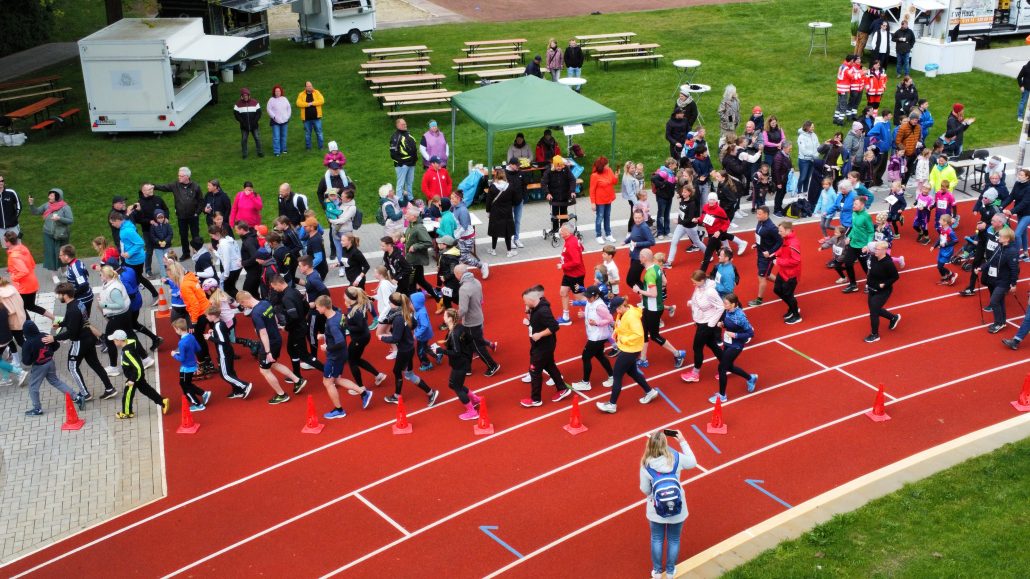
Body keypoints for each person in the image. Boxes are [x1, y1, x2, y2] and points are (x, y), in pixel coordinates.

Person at [639, 430, 697, 579]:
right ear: (666, 445)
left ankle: (657, 572)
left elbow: (645, 489)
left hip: (656, 509)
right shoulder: (676, 458)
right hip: (678, 507)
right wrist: (682, 441)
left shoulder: (646, 464)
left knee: (657, 539)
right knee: (674, 539)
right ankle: (670, 571)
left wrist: (653, 496)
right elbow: (693, 462)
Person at [238, 290, 306, 403]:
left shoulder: (255, 313)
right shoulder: (265, 303)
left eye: (242, 304)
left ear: (244, 301)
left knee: (264, 370)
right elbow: (274, 317)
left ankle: (281, 394)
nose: (243, 307)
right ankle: (297, 380)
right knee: (273, 364)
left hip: (269, 344)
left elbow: (263, 333)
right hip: (276, 338)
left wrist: (267, 352)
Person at [52, 282, 115, 402]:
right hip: (89, 338)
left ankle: (85, 394)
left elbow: (72, 333)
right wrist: (60, 324)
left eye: (58, 295)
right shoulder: (78, 303)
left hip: (79, 342)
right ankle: (109, 388)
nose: (58, 297)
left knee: (72, 367)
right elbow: (72, 321)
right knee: (96, 365)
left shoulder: (72, 309)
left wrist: (54, 338)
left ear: (65, 295)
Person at [594, 295, 659, 413]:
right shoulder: (623, 313)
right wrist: (616, 331)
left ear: (621, 306)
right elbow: (621, 325)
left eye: (616, 309)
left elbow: (638, 334)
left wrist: (623, 339)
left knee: (617, 375)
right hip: (628, 348)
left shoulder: (632, 317)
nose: (616, 312)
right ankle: (650, 392)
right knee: (632, 372)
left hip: (630, 349)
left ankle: (612, 405)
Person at [313, 295, 372, 419]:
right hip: (341, 354)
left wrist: (327, 347)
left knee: (327, 382)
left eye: (318, 307)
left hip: (334, 357)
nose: (316, 309)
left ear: (324, 307)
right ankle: (363, 392)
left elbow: (339, 341)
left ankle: (339, 410)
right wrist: (325, 335)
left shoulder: (332, 324)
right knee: (337, 379)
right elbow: (341, 330)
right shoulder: (339, 314)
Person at [380, 292, 439, 406]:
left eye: (389, 302)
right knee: (409, 375)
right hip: (409, 348)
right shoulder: (405, 313)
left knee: (397, 371)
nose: (388, 304)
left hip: (404, 351)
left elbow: (395, 338)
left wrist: (382, 338)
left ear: (394, 304)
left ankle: (397, 396)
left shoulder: (398, 319)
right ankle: (430, 393)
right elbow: (415, 324)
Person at [634, 249, 687, 368]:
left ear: (644, 258)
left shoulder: (649, 274)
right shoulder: (657, 268)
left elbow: (653, 294)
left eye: (640, 257)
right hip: (651, 307)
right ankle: (643, 359)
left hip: (653, 309)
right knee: (643, 331)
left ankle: (678, 353)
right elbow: (664, 281)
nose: (639, 258)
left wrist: (639, 290)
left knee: (655, 336)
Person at [521, 285, 572, 408]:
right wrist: (529, 320)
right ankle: (562, 388)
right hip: (543, 345)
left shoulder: (543, 311)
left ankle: (536, 399)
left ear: (532, 300)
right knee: (549, 365)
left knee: (534, 370)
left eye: (525, 301)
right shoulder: (536, 306)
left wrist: (539, 334)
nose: (524, 303)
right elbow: (537, 321)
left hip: (543, 346)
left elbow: (555, 326)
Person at [22, 319, 83, 417]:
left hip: (39, 366)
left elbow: (26, 361)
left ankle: (37, 408)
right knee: (55, 381)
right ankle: (76, 398)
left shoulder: (28, 343)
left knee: (33, 387)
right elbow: (56, 345)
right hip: (50, 362)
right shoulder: (44, 335)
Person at [268, 274, 323, 378]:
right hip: (299, 327)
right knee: (291, 349)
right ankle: (297, 374)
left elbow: (293, 317)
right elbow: (306, 306)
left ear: (278, 284)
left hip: (297, 330)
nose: (274, 289)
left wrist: (286, 327)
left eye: (273, 287)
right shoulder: (295, 291)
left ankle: (328, 373)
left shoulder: (286, 298)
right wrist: (301, 318)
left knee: (305, 355)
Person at [432, 308, 482, 420]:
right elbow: (469, 340)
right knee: (452, 384)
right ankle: (475, 399)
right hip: (463, 362)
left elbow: (456, 352)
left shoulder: (454, 333)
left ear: (450, 318)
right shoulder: (459, 327)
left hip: (460, 363)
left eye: (445, 316)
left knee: (457, 387)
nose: (443, 317)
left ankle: (472, 411)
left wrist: (441, 351)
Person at [456, 264, 501, 376]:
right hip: (478, 316)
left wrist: (455, 319)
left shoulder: (463, 288)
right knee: (468, 344)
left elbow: (463, 309)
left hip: (471, 322)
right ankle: (467, 368)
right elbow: (481, 299)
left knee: (476, 346)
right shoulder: (476, 282)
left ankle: (492, 365)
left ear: (459, 274)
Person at [712, 293, 757, 403]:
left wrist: (735, 335)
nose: (724, 304)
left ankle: (722, 396)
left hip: (736, 345)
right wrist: (722, 324)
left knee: (722, 368)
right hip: (728, 343)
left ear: (733, 304)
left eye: (726, 303)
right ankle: (751, 378)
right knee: (728, 366)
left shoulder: (740, 317)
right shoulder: (728, 311)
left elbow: (750, 333)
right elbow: (729, 325)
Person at [680, 269, 724, 383]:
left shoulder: (710, 292)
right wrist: (691, 303)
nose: (693, 284)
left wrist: (711, 324)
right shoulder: (699, 287)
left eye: (695, 282)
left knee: (697, 347)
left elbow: (721, 307)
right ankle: (726, 365)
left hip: (706, 324)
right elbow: (697, 299)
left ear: (703, 280)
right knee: (712, 345)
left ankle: (695, 374)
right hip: (701, 321)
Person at [570, 286, 614, 392]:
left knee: (585, 357)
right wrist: (583, 315)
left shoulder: (600, 306)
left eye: (590, 297)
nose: (588, 298)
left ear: (596, 296)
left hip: (598, 336)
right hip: (594, 334)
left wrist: (597, 323)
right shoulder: (591, 302)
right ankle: (612, 376)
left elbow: (610, 319)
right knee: (599, 355)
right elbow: (590, 311)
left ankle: (585, 383)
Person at [153, 168, 203, 260]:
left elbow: (201, 201)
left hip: (193, 216)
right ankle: (186, 253)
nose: (179, 177)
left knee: (195, 235)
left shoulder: (195, 186)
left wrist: (197, 213)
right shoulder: (175, 185)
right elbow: (164, 187)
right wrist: (153, 186)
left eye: (181, 176)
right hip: (181, 216)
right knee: (183, 235)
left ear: (187, 176)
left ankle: (198, 252)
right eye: (178, 175)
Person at [342, 287, 387, 389]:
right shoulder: (356, 306)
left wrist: (346, 326)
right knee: (356, 359)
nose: (343, 296)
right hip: (362, 337)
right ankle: (378, 375)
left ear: (350, 297)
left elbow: (360, 327)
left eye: (345, 294)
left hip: (359, 339)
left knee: (352, 361)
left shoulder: (356, 311)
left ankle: (360, 387)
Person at [203, 304, 251, 399]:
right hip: (228, 351)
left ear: (213, 315)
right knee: (231, 372)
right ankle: (237, 391)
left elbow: (223, 341)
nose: (206, 317)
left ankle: (244, 386)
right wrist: (213, 333)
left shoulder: (217, 326)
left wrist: (210, 338)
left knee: (225, 374)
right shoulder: (221, 323)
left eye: (207, 315)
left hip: (223, 353)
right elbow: (225, 334)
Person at [110, 211, 159, 302]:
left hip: (135, 259)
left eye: (112, 223)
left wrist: (129, 253)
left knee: (137, 277)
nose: (112, 225)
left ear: (117, 220)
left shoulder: (127, 230)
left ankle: (155, 295)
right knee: (125, 273)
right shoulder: (125, 226)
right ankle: (133, 290)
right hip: (130, 259)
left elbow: (140, 242)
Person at [26, 188, 72, 281]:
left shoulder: (65, 207)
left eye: (51, 195)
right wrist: (31, 204)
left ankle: (64, 271)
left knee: (62, 252)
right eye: (49, 195)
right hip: (48, 234)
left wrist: (59, 218)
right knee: (51, 254)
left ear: (57, 196)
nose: (49, 197)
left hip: (61, 235)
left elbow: (70, 220)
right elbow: (35, 212)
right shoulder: (47, 205)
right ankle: (54, 275)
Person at [5, 231, 52, 321]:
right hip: (32, 283)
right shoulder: (23, 248)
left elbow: (24, 271)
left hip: (23, 287)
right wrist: (13, 268)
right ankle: (54, 318)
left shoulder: (14, 256)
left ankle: (30, 329)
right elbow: (32, 265)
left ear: (8, 242)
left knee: (21, 308)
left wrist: (13, 277)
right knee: (30, 306)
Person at [863, 240, 901, 343]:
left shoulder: (888, 263)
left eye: (877, 249)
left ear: (884, 250)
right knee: (874, 309)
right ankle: (893, 317)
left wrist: (884, 284)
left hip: (883, 291)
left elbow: (895, 276)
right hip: (872, 288)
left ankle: (875, 335)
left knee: (873, 312)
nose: (875, 250)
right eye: (875, 248)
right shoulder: (874, 258)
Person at [169, 318, 210, 412]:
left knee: (184, 385)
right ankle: (203, 393)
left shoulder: (182, 343)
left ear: (179, 329)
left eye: (175, 329)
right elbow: (198, 348)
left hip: (186, 367)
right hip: (192, 364)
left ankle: (197, 404)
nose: (175, 331)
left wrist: (174, 355)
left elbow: (182, 359)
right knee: (187, 383)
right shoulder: (191, 337)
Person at [985, 229, 1021, 334]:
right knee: (1000, 301)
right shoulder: (999, 247)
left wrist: (1013, 284)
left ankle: (998, 323)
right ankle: (1002, 322)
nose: (998, 238)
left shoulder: (1012, 251)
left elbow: (1014, 269)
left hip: (1005, 281)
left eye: (1000, 236)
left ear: (1007, 239)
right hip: (998, 278)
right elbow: (991, 260)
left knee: (994, 301)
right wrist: (982, 268)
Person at [700, 193, 747, 273]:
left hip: (716, 234)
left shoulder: (719, 210)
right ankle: (729, 267)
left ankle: (701, 273)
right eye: (710, 199)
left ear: (716, 200)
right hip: (710, 233)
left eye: (713, 200)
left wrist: (719, 231)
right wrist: (698, 220)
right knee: (719, 252)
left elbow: (727, 222)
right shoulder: (705, 207)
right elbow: (703, 218)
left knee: (708, 253)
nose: (711, 201)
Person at [747, 206, 783, 306]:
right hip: (760, 253)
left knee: (762, 277)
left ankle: (759, 300)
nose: (757, 216)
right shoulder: (760, 222)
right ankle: (783, 284)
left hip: (767, 257)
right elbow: (761, 236)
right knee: (766, 275)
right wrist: (756, 244)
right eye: (757, 214)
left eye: (759, 214)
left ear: (766, 214)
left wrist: (770, 252)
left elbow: (780, 241)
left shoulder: (771, 228)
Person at [841, 196, 874, 293]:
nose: (853, 206)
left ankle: (870, 283)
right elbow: (854, 228)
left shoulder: (866, 216)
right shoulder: (854, 213)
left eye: (856, 204)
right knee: (847, 263)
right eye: (853, 204)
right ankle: (853, 284)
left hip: (862, 247)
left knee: (866, 267)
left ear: (862, 205)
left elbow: (871, 232)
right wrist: (849, 237)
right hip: (853, 244)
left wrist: (868, 245)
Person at [666, 185, 704, 268]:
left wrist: (678, 221)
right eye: (682, 192)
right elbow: (681, 212)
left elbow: (689, 219)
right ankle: (669, 262)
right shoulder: (683, 199)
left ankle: (708, 255)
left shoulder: (692, 204)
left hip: (690, 227)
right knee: (674, 241)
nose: (683, 193)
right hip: (681, 225)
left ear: (689, 193)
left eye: (685, 192)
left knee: (697, 242)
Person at [773, 221, 803, 324]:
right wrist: (775, 254)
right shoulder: (786, 239)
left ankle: (796, 315)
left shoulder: (793, 243)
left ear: (787, 230)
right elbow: (783, 250)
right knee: (777, 290)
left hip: (791, 274)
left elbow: (796, 261)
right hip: (783, 271)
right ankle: (792, 308)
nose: (778, 232)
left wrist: (778, 261)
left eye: (780, 231)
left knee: (788, 295)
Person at [485, 167, 517, 257]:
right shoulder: (510, 186)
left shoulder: (492, 187)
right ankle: (509, 251)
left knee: (495, 231)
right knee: (508, 232)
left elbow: (488, 201)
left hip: (495, 212)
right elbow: (515, 200)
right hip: (507, 212)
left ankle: (493, 250)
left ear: (496, 176)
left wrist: (488, 211)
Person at [541, 155, 577, 235]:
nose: (559, 168)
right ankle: (555, 229)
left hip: (564, 195)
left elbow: (572, 180)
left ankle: (563, 229)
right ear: (554, 165)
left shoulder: (566, 169)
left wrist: (572, 191)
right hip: (554, 196)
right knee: (555, 214)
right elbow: (543, 183)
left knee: (564, 213)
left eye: (561, 166)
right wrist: (547, 193)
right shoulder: (549, 171)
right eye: (558, 166)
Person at [589, 156, 618, 244]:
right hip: (600, 201)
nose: (608, 165)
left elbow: (614, 182)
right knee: (599, 217)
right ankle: (598, 235)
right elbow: (592, 190)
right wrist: (593, 203)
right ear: (602, 165)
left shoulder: (609, 170)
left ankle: (608, 234)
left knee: (607, 216)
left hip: (608, 199)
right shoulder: (594, 176)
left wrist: (616, 176)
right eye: (606, 164)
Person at [389, 118, 418, 203]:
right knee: (400, 184)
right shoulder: (395, 136)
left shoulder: (408, 134)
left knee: (410, 182)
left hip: (412, 163)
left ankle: (410, 198)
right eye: (402, 124)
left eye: (405, 124)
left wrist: (415, 159)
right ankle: (399, 200)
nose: (405, 125)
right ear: (397, 125)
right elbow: (393, 152)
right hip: (402, 165)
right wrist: (400, 162)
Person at [504, 158, 527, 248]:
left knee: (517, 221)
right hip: (508, 202)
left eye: (518, 165)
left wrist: (524, 197)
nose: (518, 167)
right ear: (511, 165)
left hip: (519, 201)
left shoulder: (520, 173)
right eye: (516, 165)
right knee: (510, 221)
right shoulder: (504, 173)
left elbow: (524, 185)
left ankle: (516, 239)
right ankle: (509, 240)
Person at [233, 87, 263, 158]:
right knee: (244, 139)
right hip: (244, 126)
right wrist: (242, 122)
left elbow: (259, 113)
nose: (245, 97)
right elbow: (236, 114)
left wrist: (254, 122)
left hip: (254, 125)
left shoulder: (255, 102)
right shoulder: (237, 104)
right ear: (241, 96)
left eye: (246, 95)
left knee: (257, 138)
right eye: (244, 96)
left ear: (249, 95)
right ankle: (244, 154)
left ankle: (260, 152)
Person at [296, 81, 324, 151]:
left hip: (317, 118)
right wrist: (307, 104)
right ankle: (308, 148)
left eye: (311, 86)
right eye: (308, 86)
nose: (310, 87)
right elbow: (298, 103)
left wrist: (312, 103)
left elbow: (322, 101)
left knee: (319, 133)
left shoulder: (316, 92)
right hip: (306, 119)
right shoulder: (301, 94)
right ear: (305, 87)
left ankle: (321, 147)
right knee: (307, 134)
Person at [267, 84, 291, 157]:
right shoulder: (271, 100)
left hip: (285, 120)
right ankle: (276, 151)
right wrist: (274, 117)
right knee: (276, 137)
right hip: (275, 121)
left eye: (279, 91)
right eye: (276, 91)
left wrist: (287, 116)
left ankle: (283, 149)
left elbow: (289, 108)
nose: (277, 92)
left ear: (281, 92)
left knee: (284, 136)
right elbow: (269, 109)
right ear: (274, 92)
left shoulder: (284, 99)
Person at [771, 140, 793, 216]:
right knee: (779, 195)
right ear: (784, 148)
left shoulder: (786, 154)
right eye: (789, 148)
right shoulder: (778, 157)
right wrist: (778, 183)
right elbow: (776, 171)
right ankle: (776, 211)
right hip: (780, 180)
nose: (791, 150)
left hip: (784, 179)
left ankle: (779, 208)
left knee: (782, 194)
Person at [834, 55, 856, 126]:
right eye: (853, 61)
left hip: (840, 87)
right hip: (844, 88)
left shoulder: (842, 66)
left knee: (839, 103)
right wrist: (860, 73)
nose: (853, 62)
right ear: (851, 60)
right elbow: (852, 77)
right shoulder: (846, 69)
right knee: (843, 104)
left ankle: (836, 118)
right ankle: (840, 120)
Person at [0, 174, 22, 247]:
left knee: (18, 246)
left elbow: (19, 205)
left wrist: (14, 218)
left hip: (13, 226)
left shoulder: (11, 192)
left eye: (2, 181)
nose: (1, 182)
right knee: (7, 247)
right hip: (1, 229)